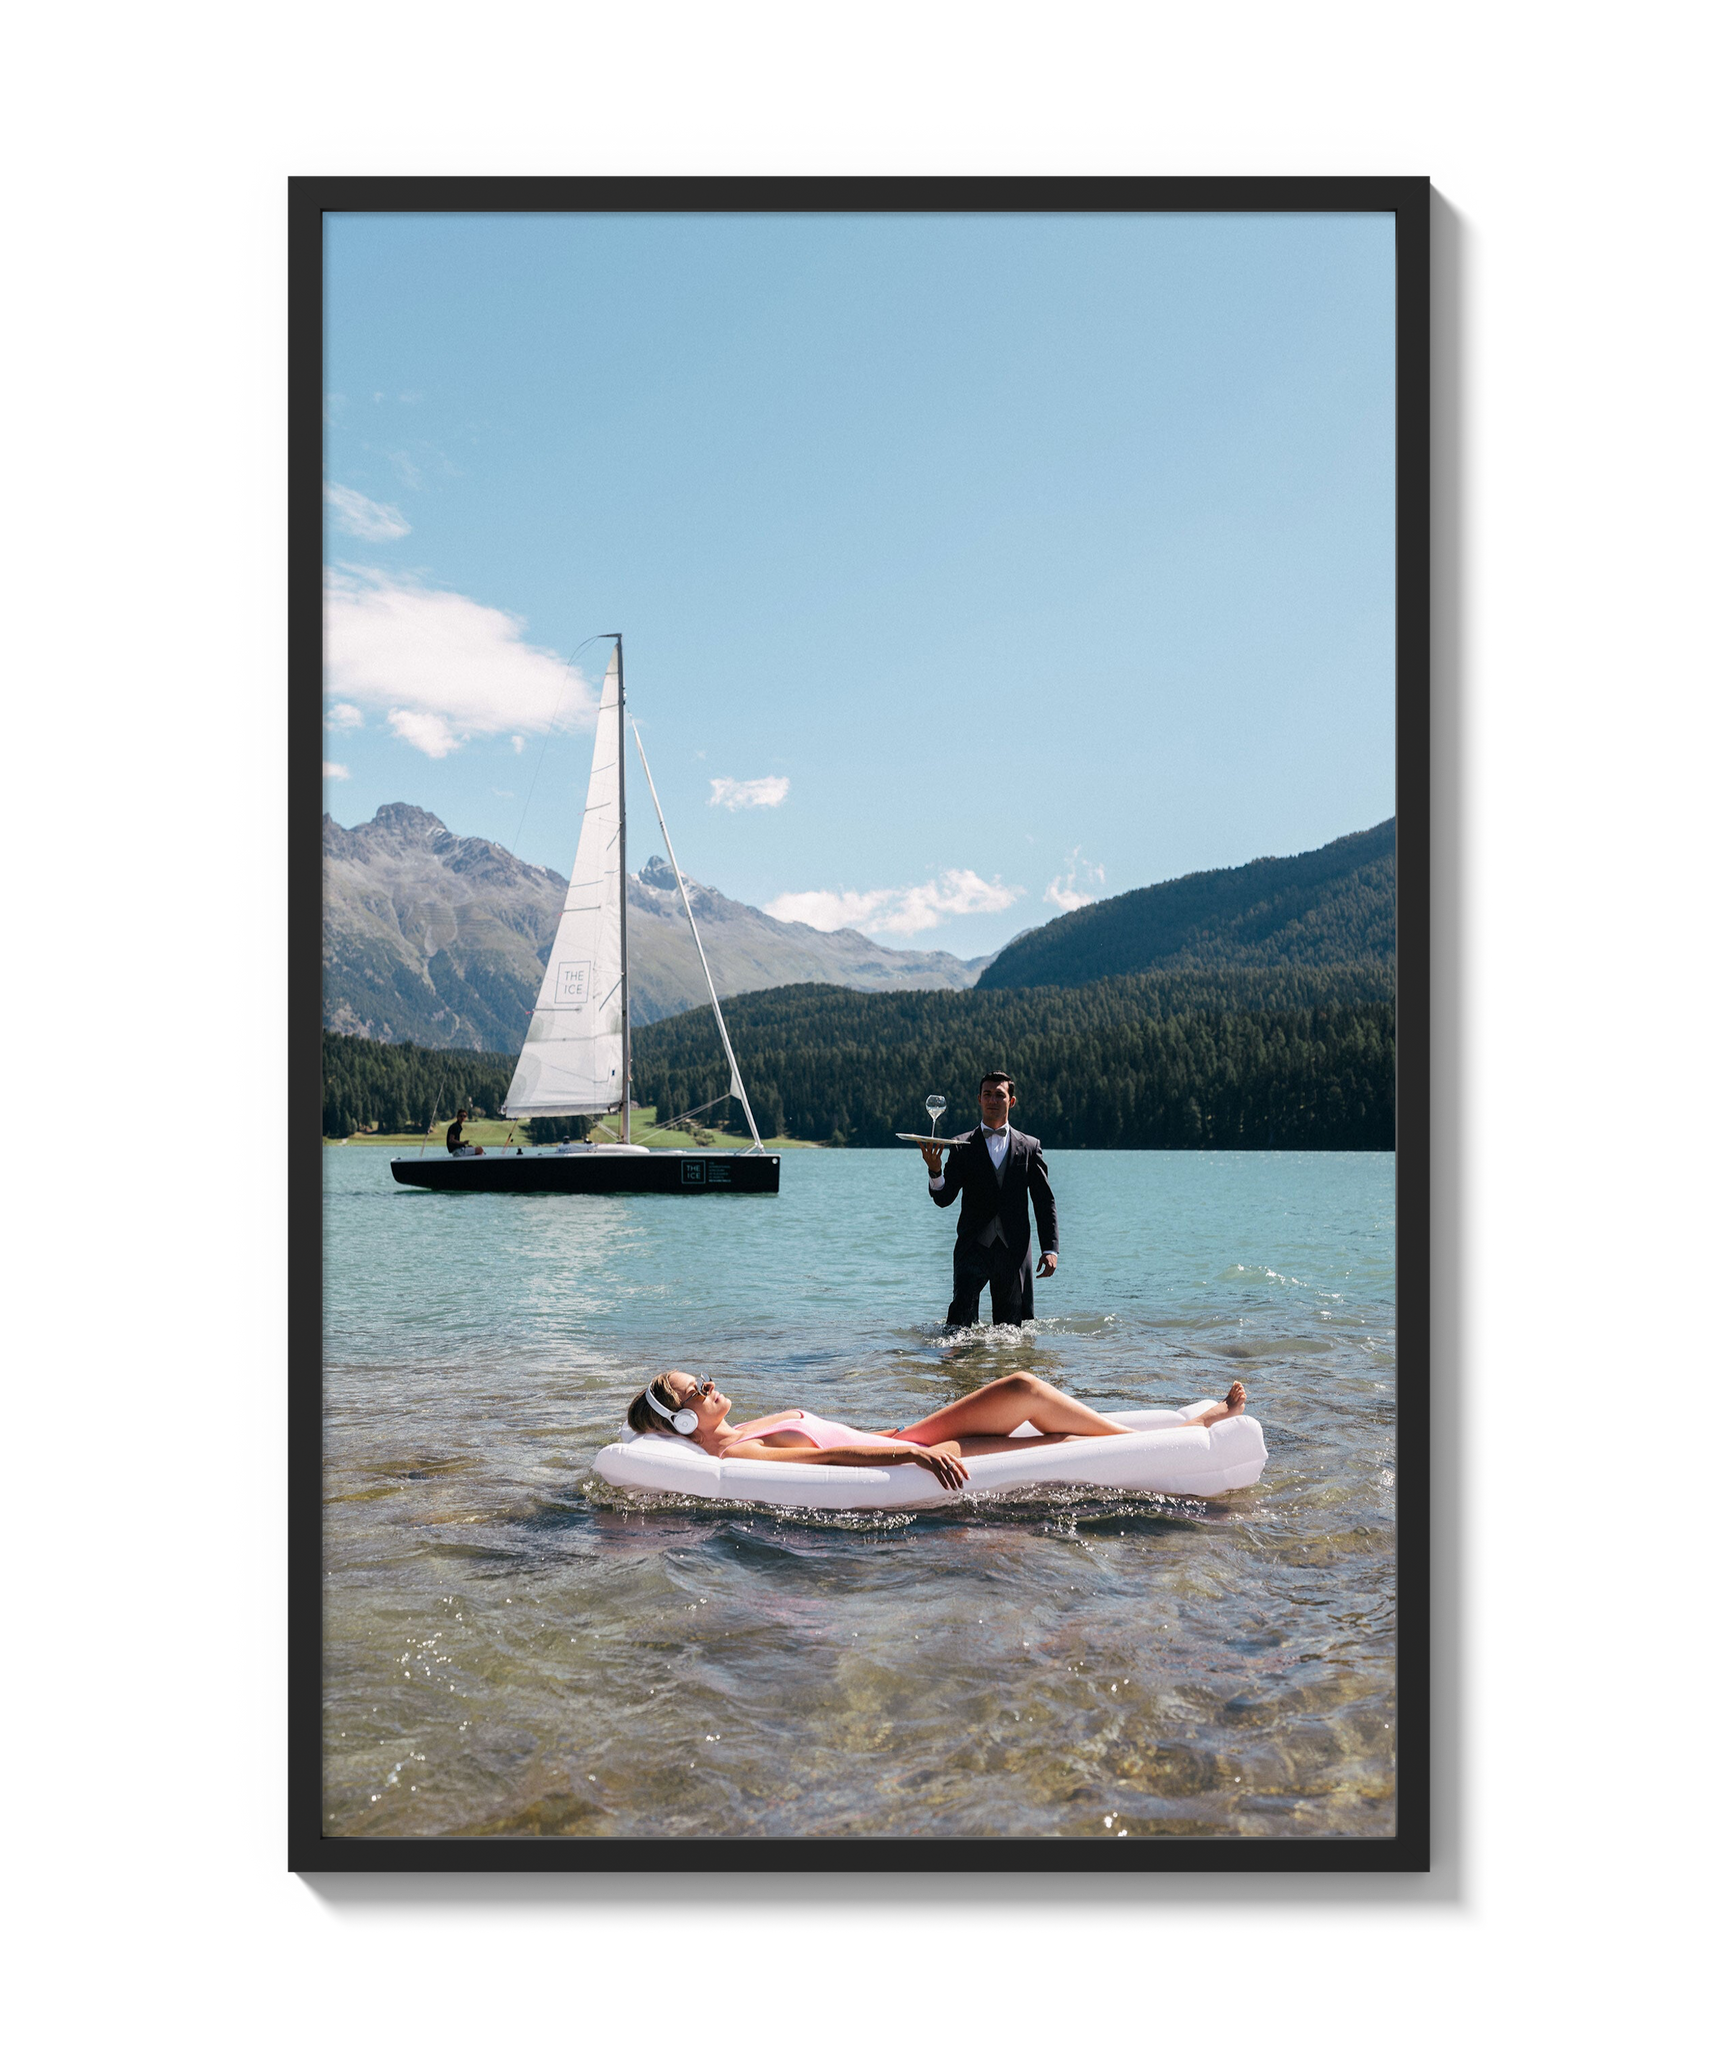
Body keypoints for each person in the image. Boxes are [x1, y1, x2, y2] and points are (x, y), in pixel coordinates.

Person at [626, 1369, 1248, 1493]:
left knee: (1028, 1398)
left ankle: (1185, 1424)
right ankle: (1191, 1429)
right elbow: (826, 1461)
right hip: (911, 1453)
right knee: (1029, 1401)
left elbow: (830, 1433)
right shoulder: (740, 1450)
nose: (709, 1384)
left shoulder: (741, 1426)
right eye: (694, 1391)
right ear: (682, 1420)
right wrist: (915, 1459)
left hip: (907, 1435)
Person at [919, 1070, 1056, 1327]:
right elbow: (944, 1198)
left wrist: (1050, 1249)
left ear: (1011, 1101)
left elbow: (1044, 1201)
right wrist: (935, 1170)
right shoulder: (960, 1145)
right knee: (958, 1328)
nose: (993, 1100)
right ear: (979, 1099)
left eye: (999, 1095)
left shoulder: (1029, 1146)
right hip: (972, 1248)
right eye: (987, 1095)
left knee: (1012, 1333)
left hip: (1013, 1250)